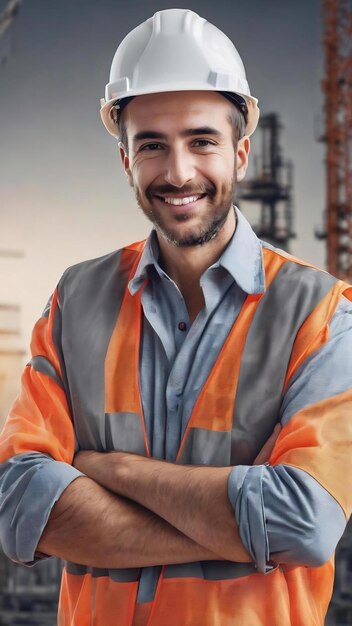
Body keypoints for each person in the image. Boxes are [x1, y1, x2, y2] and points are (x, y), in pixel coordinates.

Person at [0, 8, 351, 626]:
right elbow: (17, 504)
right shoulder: (76, 300)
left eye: (202, 141)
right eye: (152, 145)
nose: (179, 172)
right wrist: (242, 532)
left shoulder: (321, 314)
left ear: (241, 153)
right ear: (126, 161)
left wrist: (112, 470)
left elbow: (305, 521)